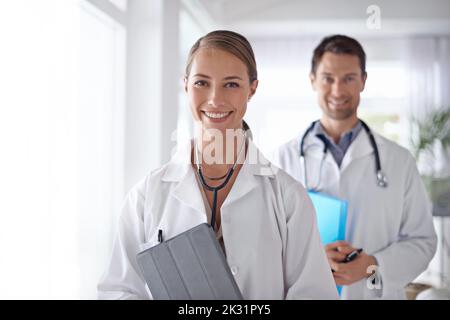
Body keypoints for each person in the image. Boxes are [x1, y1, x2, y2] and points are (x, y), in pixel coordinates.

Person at [97, 30, 338, 300]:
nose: (214, 99)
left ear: (252, 88)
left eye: (231, 84)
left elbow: (315, 294)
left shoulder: (287, 197)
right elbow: (117, 290)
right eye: (202, 82)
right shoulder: (147, 195)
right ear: (186, 85)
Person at [272, 35, 437, 299]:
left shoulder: (398, 160)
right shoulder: (284, 158)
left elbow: (423, 242)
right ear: (312, 80)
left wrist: (372, 266)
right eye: (328, 78)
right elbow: (269, 242)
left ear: (363, 81)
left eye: (348, 78)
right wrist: (311, 260)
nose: (338, 90)